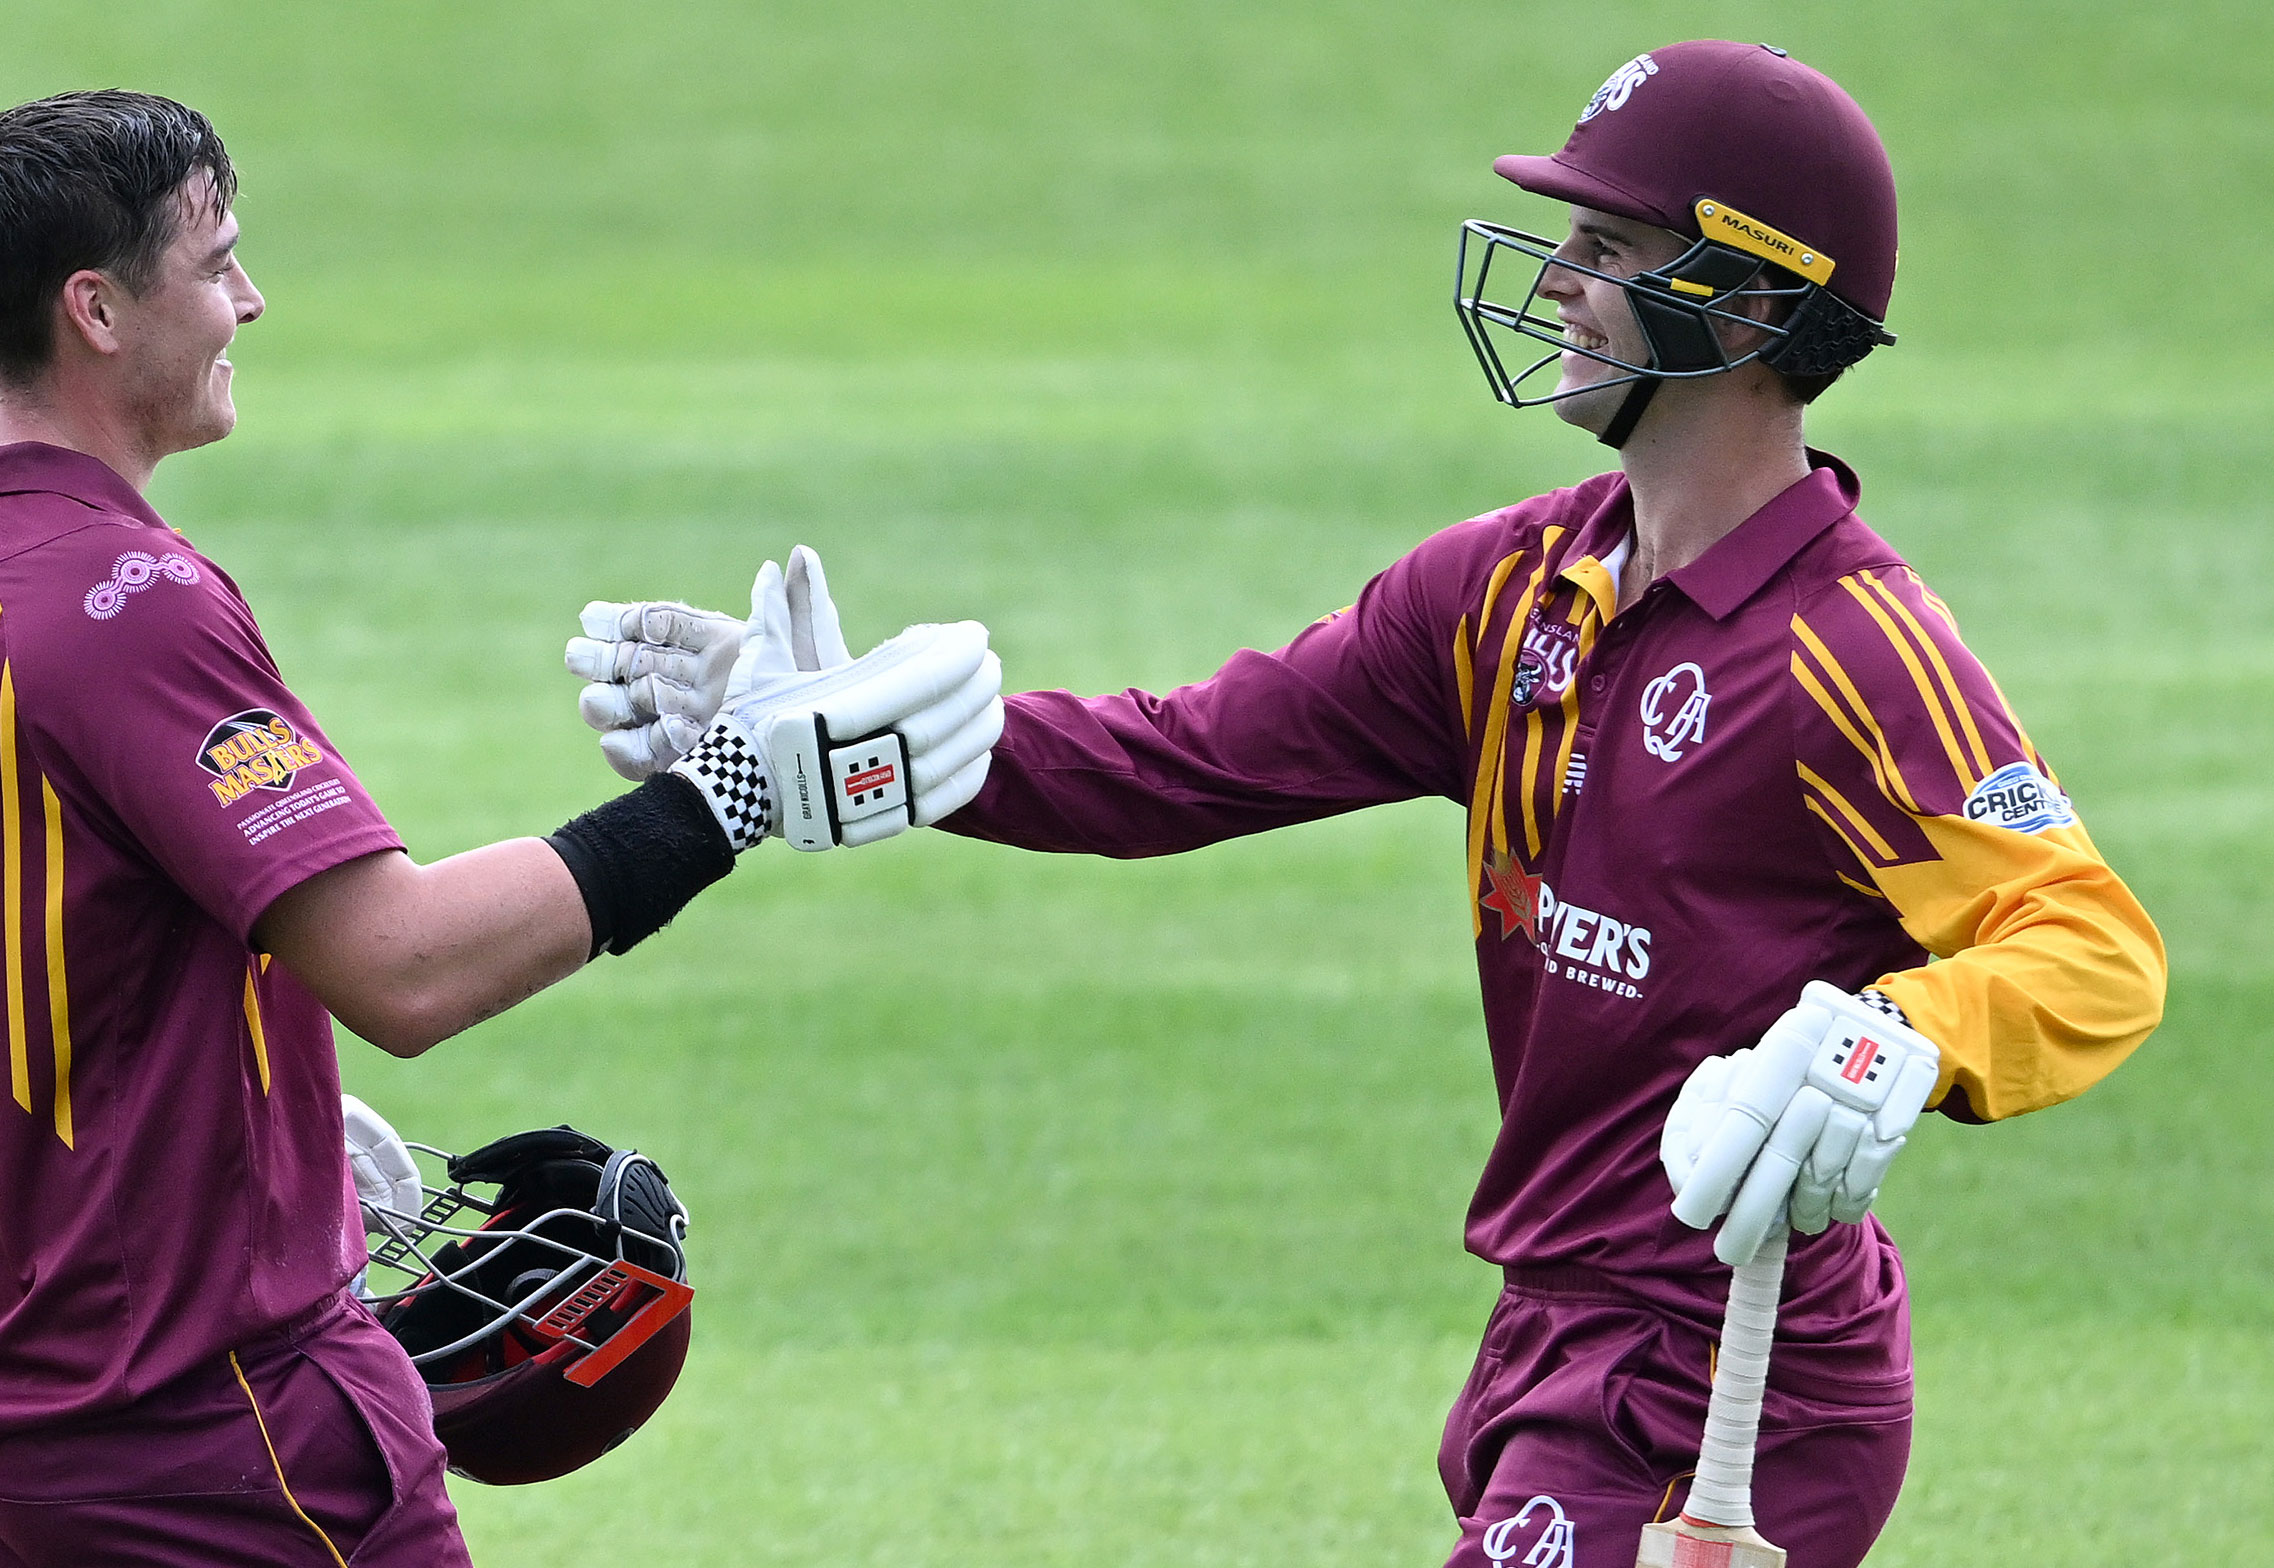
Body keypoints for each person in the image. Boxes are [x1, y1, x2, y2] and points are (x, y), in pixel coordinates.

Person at [565, 41, 2165, 1568]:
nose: (1551, 279)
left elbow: (2088, 946)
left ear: (1744, 305)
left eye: (1600, 243)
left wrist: (1907, 1037)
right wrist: (832, 747)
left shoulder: (1856, 657)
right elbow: (1184, 760)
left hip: (1739, 1376)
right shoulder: (1503, 589)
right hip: (1553, 1323)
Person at [0, 91, 997, 1567]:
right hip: (204, 1426)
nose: (250, 299)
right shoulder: (126, 604)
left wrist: (236, 1123)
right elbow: (403, 970)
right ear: (95, 310)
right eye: (215, 262)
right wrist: (729, 797)